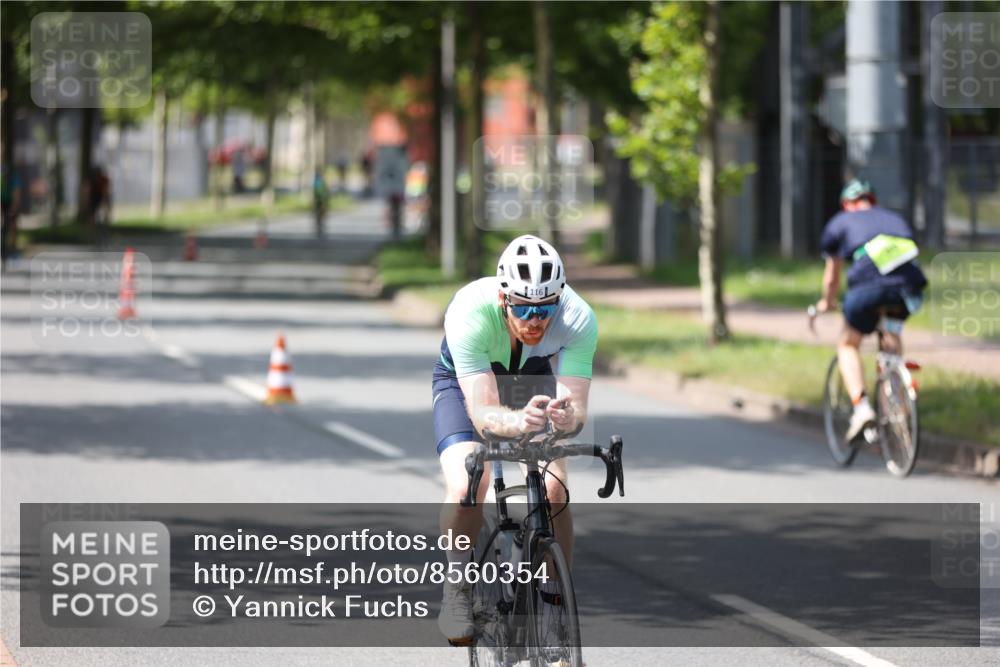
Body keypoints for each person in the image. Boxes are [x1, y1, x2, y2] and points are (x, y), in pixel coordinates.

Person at [432, 234, 598, 645]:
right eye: (524, 307)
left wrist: (566, 417)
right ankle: (457, 587)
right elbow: (485, 416)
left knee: (556, 489)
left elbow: (577, 409)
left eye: (545, 308)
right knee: (469, 481)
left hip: (530, 375)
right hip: (465, 384)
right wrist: (519, 421)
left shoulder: (578, 317)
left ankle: (556, 601)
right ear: (504, 298)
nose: (536, 319)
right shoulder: (470, 312)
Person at [815, 179, 928, 441]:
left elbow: (832, 276)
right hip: (908, 288)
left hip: (868, 288)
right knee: (891, 331)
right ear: (872, 201)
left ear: (846, 204)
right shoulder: (894, 219)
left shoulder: (840, 222)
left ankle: (862, 408)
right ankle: (898, 402)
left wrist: (827, 302)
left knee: (848, 344)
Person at [1, 163, 22, 270]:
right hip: (4, 203)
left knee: (12, 226)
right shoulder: (10, 174)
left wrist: (14, 207)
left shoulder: (11, 175)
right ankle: (12, 250)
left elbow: (16, 192)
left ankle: (12, 249)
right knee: (9, 228)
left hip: (8, 204)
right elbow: (16, 192)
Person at [312, 168, 328, 238]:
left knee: (320, 214)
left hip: (320, 200)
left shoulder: (319, 182)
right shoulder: (319, 182)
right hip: (320, 200)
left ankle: (319, 226)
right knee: (319, 214)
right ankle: (319, 226)